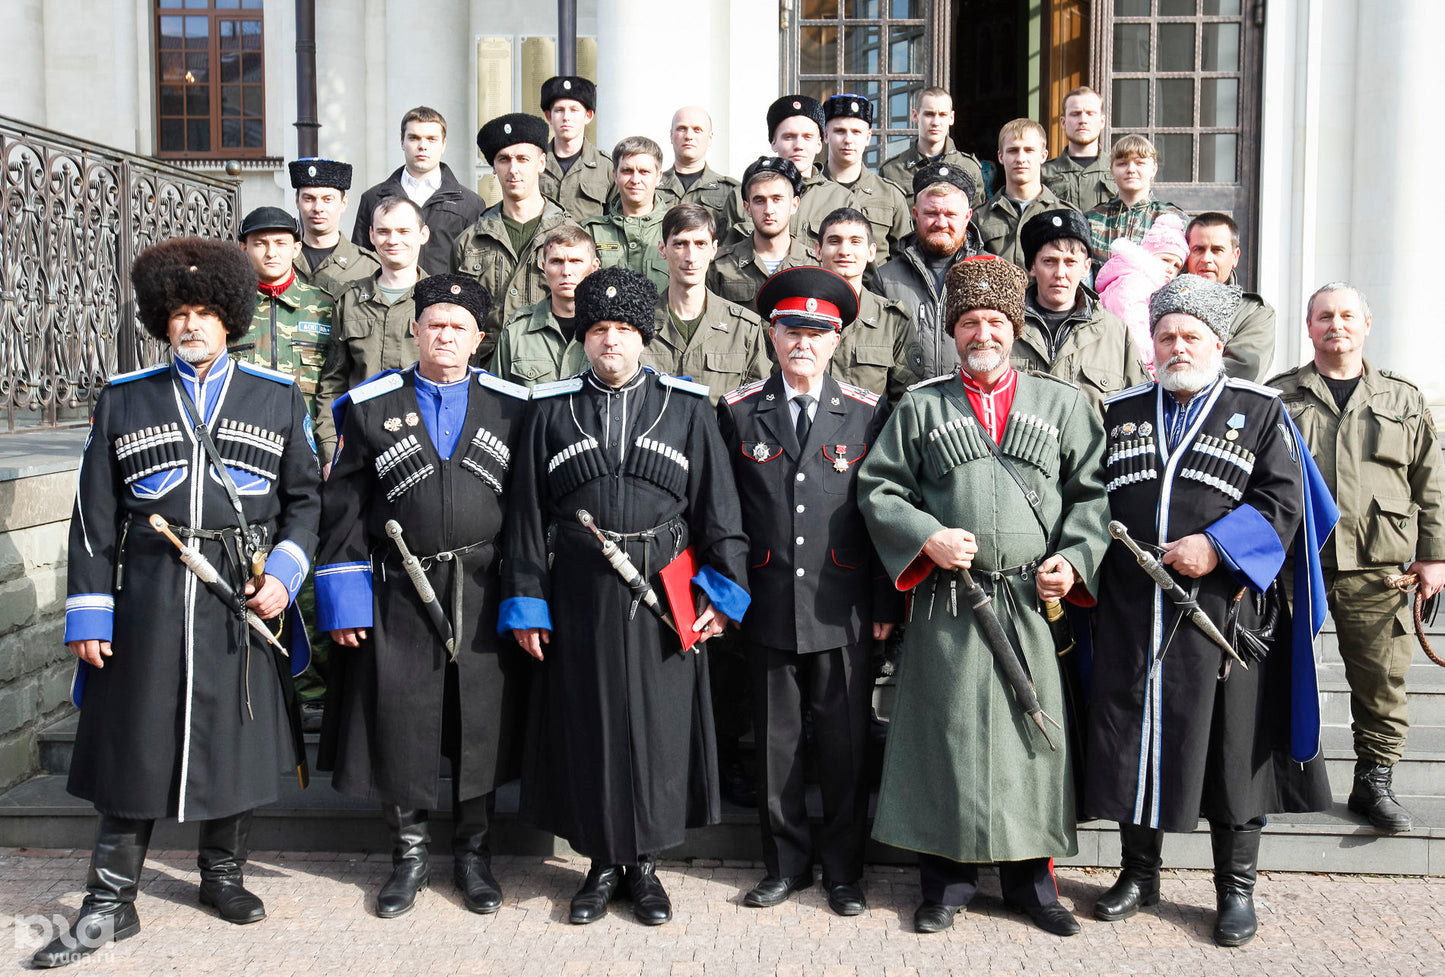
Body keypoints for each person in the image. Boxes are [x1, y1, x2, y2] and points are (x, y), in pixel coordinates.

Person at [35, 238, 321, 968]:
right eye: (178, 312)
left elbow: (304, 501)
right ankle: (109, 898)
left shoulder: (276, 395)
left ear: (230, 316)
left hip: (239, 588)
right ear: (161, 317)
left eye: (204, 311)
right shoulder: (124, 397)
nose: (191, 324)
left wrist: (284, 575)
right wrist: (91, 611)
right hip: (151, 593)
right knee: (135, 739)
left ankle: (221, 874)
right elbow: (93, 514)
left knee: (235, 732)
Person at [857, 254, 1109, 937]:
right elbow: (877, 489)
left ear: (1015, 327)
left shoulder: (1063, 404)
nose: (982, 332)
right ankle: (945, 883)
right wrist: (926, 536)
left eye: (995, 319)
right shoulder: (920, 406)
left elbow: (1091, 497)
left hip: (1031, 602)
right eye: (968, 321)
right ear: (953, 329)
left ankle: (1033, 883)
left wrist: (1073, 558)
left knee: (1033, 739)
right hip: (949, 603)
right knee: (948, 738)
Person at [1086, 274, 1334, 948]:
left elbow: (1288, 504)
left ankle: (1234, 891)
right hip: (1133, 612)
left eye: (1189, 335)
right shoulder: (1121, 409)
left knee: (1233, 752)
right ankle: (1138, 873)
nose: (1176, 346)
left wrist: (1216, 545)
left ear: (1217, 343)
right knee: (1133, 742)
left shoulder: (1260, 410)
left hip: (1225, 614)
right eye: (1165, 335)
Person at [501, 267, 751, 926]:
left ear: (642, 335)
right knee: (589, 727)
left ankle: (643, 864)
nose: (610, 340)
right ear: (582, 336)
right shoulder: (547, 409)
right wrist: (527, 599)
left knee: (658, 729)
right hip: (577, 592)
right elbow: (525, 515)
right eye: (598, 329)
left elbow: (718, 510)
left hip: (665, 592)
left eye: (622, 329)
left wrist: (722, 594)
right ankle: (599, 861)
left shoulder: (690, 407)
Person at [315, 274, 531, 920]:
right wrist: (345, 601)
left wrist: (525, 597)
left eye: (458, 326)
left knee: (478, 727)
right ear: (414, 330)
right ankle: (408, 854)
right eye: (434, 323)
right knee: (402, 721)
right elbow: (344, 507)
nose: (445, 335)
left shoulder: (513, 405)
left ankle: (473, 855)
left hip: (483, 591)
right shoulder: (370, 404)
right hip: (398, 593)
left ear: (479, 338)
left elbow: (525, 511)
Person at [717, 266, 894, 916]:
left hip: (842, 610)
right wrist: (730, 599)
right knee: (776, 748)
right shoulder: (737, 412)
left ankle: (844, 872)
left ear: (836, 337)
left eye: (817, 330)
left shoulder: (868, 412)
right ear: (771, 332)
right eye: (792, 327)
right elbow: (725, 516)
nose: (803, 340)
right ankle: (785, 864)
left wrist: (881, 604)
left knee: (844, 749)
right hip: (766, 608)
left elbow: (880, 513)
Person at [1270, 283, 1445, 833]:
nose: (1336, 325)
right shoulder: (1279, 397)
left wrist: (1435, 556)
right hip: (1298, 562)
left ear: (1366, 324)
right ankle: (1274, 780)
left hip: (1380, 566)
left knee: (1380, 679)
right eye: (1325, 316)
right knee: (1279, 672)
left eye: (1347, 315)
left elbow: (1430, 481)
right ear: (1309, 325)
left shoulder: (1403, 398)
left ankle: (1374, 782)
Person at [315, 196, 430, 468]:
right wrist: (330, 451)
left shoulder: (439, 302)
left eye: (403, 231)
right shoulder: (349, 300)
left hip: (422, 443)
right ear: (371, 235)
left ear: (423, 235)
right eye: (384, 231)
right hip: (359, 445)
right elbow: (332, 384)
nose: (393, 240)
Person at [452, 112, 576, 361]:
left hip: (553, 368)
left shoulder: (571, 237)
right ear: (494, 168)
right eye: (504, 159)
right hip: (486, 372)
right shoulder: (470, 241)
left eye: (523, 159)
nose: (513, 169)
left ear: (541, 163)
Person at [1013, 209, 1149, 414]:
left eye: (1070, 262)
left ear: (1086, 267)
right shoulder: (1005, 327)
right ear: (1032, 266)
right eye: (1049, 261)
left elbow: (1139, 407)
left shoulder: (1114, 333)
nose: (1060, 273)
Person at [643, 203, 772, 403]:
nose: (691, 257)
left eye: (700, 244)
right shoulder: (637, 326)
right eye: (680, 244)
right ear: (662, 249)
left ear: (713, 250)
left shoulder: (743, 328)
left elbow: (758, 407)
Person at [351, 106, 486, 276]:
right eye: (414, 138)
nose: (423, 146)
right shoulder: (373, 199)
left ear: (443, 144)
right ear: (402, 142)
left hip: (445, 299)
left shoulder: (470, 204)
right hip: (386, 299)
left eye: (431, 139)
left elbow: (477, 267)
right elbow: (360, 261)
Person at [875, 162, 980, 378]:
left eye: (951, 214)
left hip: (970, 404)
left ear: (967, 216)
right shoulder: (885, 279)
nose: (941, 223)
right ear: (915, 214)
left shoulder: (990, 272)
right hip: (905, 404)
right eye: (931, 213)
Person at [229, 206, 336, 418]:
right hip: (245, 434)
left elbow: (336, 382)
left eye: (280, 243)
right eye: (260, 244)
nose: (271, 253)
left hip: (308, 436)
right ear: (243, 249)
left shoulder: (325, 307)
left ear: (296, 249)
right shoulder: (226, 308)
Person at [815, 207, 919, 401]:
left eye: (855, 242)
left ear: (871, 252)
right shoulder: (796, 312)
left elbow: (904, 401)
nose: (844, 251)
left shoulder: (892, 321)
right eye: (834, 241)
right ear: (818, 251)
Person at [491, 223, 597, 386]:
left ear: (594, 267)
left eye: (576, 261)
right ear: (544, 267)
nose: (566, 271)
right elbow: (496, 400)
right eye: (557, 261)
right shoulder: (517, 332)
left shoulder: (610, 331)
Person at [707, 156, 815, 311]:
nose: (769, 210)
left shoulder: (815, 265)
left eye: (777, 199)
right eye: (759, 201)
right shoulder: (721, 266)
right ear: (747, 207)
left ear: (794, 204)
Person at [821, 94, 913, 272]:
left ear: (868, 137)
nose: (848, 140)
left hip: (875, 294)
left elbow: (905, 259)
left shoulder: (890, 195)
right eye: (840, 131)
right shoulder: (809, 193)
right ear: (825, 135)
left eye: (856, 132)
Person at [974, 119, 1077, 269]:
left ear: (1043, 156)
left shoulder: (1067, 215)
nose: (1021, 159)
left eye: (1029, 150)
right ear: (1000, 157)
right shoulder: (980, 217)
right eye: (1013, 150)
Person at [1184, 212, 1275, 382]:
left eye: (1217, 250)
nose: (1206, 259)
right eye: (1198, 250)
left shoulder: (1254, 313)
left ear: (1235, 257)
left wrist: (1179, 378)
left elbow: (1242, 370)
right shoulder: (1162, 304)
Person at [1095, 213, 1188, 372]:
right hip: (1130, 366)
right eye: (1165, 260)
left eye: (1176, 266)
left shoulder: (1146, 284)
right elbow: (1134, 330)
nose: (1169, 270)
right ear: (1148, 255)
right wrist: (1150, 366)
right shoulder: (1134, 284)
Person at [765, 95, 853, 253]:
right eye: (789, 137)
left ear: (819, 144)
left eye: (807, 137)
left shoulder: (842, 200)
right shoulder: (744, 197)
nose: (799, 145)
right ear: (773, 142)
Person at [1084, 135, 1187, 269]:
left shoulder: (1174, 220)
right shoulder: (1091, 220)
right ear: (1111, 170)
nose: (1131, 170)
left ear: (1153, 169)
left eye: (1140, 163)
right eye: (1122, 164)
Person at [583, 136, 672, 291]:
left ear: (658, 177)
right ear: (615, 176)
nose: (635, 179)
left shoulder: (675, 229)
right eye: (627, 171)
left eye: (644, 172)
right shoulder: (592, 232)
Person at [880, 86, 986, 211]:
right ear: (915, 116)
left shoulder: (969, 168)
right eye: (929, 114)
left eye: (942, 114)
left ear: (951, 118)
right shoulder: (892, 170)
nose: (935, 122)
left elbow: (975, 222)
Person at [289, 158, 380, 298]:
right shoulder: (282, 260)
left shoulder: (368, 267)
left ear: (343, 203)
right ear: (297, 202)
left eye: (327, 199)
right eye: (309, 199)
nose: (318, 208)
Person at [539, 75, 614, 221]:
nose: (566, 117)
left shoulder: (606, 167)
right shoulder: (534, 164)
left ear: (588, 116)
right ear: (549, 116)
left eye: (574, 110)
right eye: (559, 110)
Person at [659, 105, 741, 229]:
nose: (689, 136)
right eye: (682, 129)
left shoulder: (730, 191)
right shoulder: (651, 186)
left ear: (710, 138)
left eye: (697, 130)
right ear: (671, 135)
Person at [1041, 86, 1117, 212]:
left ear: (1102, 121)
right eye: (1075, 114)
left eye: (1090, 114)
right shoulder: (1043, 173)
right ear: (1063, 122)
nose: (1083, 120)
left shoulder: (1118, 169)